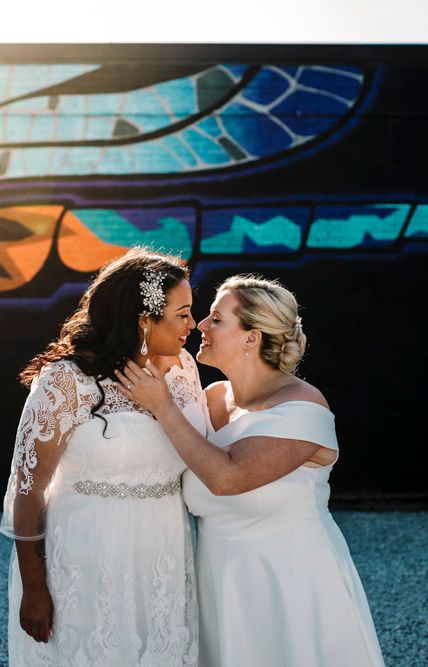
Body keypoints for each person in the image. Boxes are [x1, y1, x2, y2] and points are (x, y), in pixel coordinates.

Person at [116, 275, 385, 667]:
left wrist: (164, 407)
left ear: (251, 337)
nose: (200, 327)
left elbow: (228, 478)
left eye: (216, 319)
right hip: (219, 582)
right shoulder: (211, 401)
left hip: (289, 585)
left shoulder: (305, 408)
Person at [0, 248, 205, 666]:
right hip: (88, 551)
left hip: (164, 547)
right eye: (182, 313)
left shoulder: (184, 368)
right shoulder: (66, 381)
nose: (193, 324)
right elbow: (28, 489)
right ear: (144, 319)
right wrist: (34, 587)